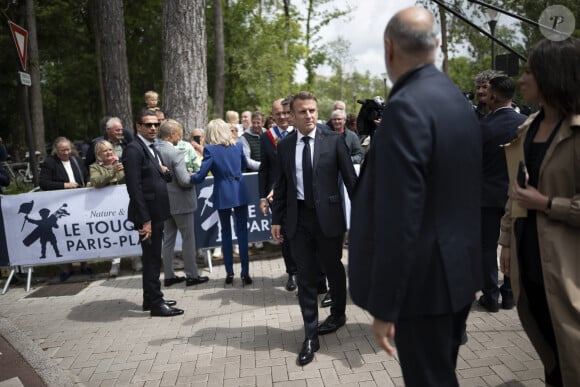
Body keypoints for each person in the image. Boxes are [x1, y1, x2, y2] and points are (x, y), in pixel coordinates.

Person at [348, 7, 482, 386]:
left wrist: (386, 305)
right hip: (457, 274)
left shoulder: (405, 109)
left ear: (389, 48)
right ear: (437, 45)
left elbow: (399, 218)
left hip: (423, 288)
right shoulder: (456, 100)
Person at [499, 37, 580, 387]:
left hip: (568, 271)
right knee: (549, 350)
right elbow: (514, 192)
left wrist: (548, 204)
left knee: (572, 351)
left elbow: (533, 198)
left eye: (529, 70)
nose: (521, 79)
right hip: (529, 261)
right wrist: (505, 241)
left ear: (552, 74)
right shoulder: (526, 129)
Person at [271, 91, 357, 366]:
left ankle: (339, 314)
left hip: (329, 218)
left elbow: (351, 181)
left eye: (312, 110)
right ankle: (310, 335)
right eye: (302, 112)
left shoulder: (333, 140)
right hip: (298, 221)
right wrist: (276, 219)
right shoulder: (284, 147)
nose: (309, 115)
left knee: (333, 268)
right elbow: (282, 187)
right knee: (306, 276)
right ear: (292, 116)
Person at [122, 108, 183, 317]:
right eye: (148, 125)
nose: (153, 128)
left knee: (153, 257)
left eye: (156, 124)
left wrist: (164, 172)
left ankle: (151, 298)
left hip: (157, 212)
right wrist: (145, 219)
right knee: (152, 259)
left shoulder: (151, 147)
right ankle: (156, 304)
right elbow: (134, 187)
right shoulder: (133, 149)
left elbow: (160, 174)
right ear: (138, 126)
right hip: (147, 215)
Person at [478, 75, 526, 312]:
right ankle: (509, 294)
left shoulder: (482, 127)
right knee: (512, 244)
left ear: (494, 95)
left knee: (487, 247)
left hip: (485, 196)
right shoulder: (526, 123)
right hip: (517, 195)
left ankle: (490, 296)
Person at [190, 119, 252, 286]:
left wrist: (188, 177)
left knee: (225, 233)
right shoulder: (238, 146)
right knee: (242, 233)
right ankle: (245, 273)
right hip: (239, 190)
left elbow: (201, 175)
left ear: (211, 133)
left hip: (223, 192)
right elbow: (245, 164)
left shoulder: (210, 149)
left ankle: (229, 273)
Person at [156, 119, 209, 287]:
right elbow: (184, 181)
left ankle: (169, 275)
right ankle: (192, 275)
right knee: (188, 239)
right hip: (181, 201)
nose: (180, 137)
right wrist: (196, 175)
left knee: (169, 239)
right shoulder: (175, 152)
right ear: (172, 135)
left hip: (163, 201)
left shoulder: (154, 150)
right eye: (179, 133)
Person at [39, 137, 92, 281]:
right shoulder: (50, 163)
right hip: (60, 205)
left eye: (68, 149)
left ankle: (84, 264)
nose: (66, 152)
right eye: (63, 150)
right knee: (64, 235)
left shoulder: (76, 159)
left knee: (80, 232)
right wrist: (64, 185)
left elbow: (85, 174)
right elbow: (43, 182)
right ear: (56, 150)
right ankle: (67, 268)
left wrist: (88, 181)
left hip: (79, 203)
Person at [258, 97, 297, 291]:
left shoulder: (299, 132)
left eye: (286, 112)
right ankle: (292, 273)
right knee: (284, 235)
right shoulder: (266, 137)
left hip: (300, 194)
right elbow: (264, 169)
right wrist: (263, 196)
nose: (282, 117)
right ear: (272, 115)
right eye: (278, 114)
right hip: (277, 197)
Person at [89, 140, 128, 276]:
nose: (109, 152)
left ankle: (136, 259)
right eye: (105, 151)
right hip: (107, 206)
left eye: (110, 150)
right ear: (98, 154)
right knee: (114, 233)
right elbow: (96, 182)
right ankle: (115, 263)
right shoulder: (94, 167)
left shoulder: (120, 163)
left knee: (130, 229)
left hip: (125, 203)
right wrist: (112, 172)